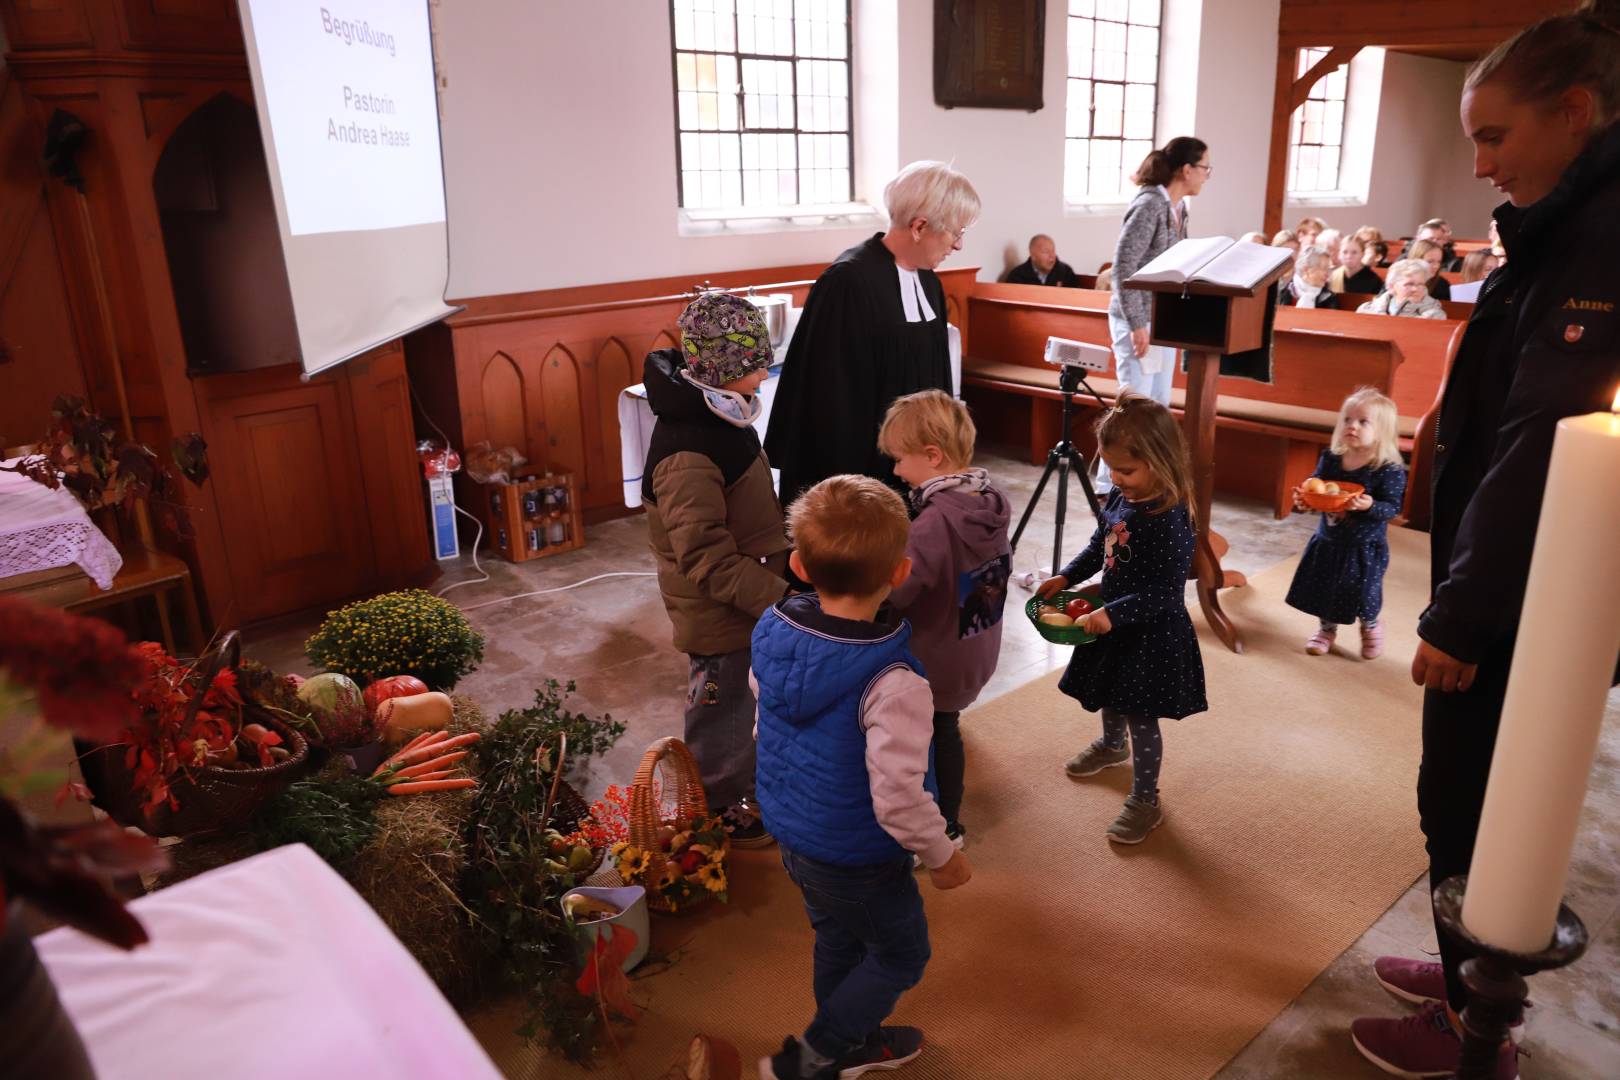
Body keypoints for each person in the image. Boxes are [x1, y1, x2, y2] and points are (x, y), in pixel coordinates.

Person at [1351, 3, 1620, 1076]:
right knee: (1476, 792)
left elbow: (1545, 441)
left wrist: (1462, 613)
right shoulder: (1569, 220)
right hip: (1534, 572)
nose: (1480, 165)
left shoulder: (1599, 238)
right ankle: (1467, 971)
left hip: (1532, 585)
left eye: (1495, 136)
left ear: (1575, 111)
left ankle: (1476, 1027)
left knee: (1468, 796)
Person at [754, 475, 973, 1080]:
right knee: (902, 952)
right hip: (857, 856)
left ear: (799, 566)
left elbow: (766, 723)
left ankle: (854, 1045)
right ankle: (813, 1057)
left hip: (796, 835)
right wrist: (942, 854)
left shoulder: (772, 632)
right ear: (900, 573)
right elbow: (898, 796)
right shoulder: (894, 681)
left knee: (838, 939)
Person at [640, 292, 790, 847]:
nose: (764, 375)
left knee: (742, 707)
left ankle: (742, 790)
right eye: (756, 364)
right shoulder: (687, 450)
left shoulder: (718, 410)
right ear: (723, 367)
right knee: (720, 714)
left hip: (744, 601)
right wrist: (779, 595)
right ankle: (716, 814)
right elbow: (705, 555)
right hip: (720, 614)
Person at [1040, 393, 1207, 844]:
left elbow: (1166, 593)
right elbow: (1101, 545)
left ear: (1160, 461)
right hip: (1112, 620)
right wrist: (1067, 576)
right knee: (1110, 691)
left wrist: (1113, 612)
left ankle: (1146, 800)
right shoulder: (1119, 495)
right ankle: (1113, 747)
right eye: (1110, 468)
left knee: (1140, 714)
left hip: (1150, 631)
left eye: (1126, 470)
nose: (1116, 478)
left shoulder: (1170, 519)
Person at [765, 161, 980, 505]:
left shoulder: (928, 282)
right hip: (861, 475)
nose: (958, 245)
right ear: (919, 227)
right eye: (956, 232)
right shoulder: (848, 282)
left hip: (918, 467)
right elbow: (831, 401)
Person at [879, 390, 1012, 852]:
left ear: (932, 456)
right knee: (945, 728)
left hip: (936, 659)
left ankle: (943, 828)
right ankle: (948, 822)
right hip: (975, 645)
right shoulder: (989, 500)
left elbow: (900, 591)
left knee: (929, 740)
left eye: (900, 459)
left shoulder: (933, 525)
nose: (897, 471)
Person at [1098, 135, 1211, 494]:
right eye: (1205, 168)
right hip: (1138, 320)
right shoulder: (1149, 204)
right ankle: (1109, 485)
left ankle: (1147, 482)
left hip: (1163, 320)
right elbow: (1123, 266)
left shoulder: (1178, 208)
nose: (1207, 175)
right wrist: (1136, 324)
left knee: (1158, 406)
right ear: (1186, 169)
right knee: (1133, 407)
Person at [1284, 389, 1408, 659]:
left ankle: (1371, 626)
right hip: (1329, 541)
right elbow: (1317, 487)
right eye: (1348, 420)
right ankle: (1326, 630)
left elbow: (1392, 508)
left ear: (1382, 431)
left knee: (1362, 593)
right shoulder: (1331, 458)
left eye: (1363, 422)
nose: (1352, 426)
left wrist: (1370, 505)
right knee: (1325, 587)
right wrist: (1306, 500)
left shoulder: (1388, 469)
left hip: (1363, 547)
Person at [1355, 259, 1447, 319]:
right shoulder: (1367, 310)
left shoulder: (1435, 315)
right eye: (1409, 284)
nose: (1415, 289)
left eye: (1420, 284)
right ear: (1391, 286)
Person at [1004, 233, 1080, 287]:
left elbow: (1076, 298)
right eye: (1046, 252)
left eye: (1053, 251)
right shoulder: (1017, 276)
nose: (1052, 256)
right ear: (1033, 255)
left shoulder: (1065, 272)